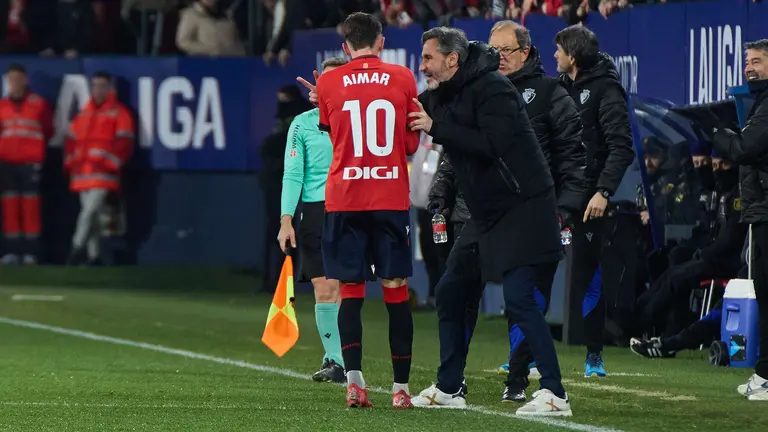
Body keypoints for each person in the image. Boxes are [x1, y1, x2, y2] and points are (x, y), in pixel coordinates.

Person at [409, 27, 571, 416]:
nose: (422, 66)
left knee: (519, 298)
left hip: (523, 206)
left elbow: (489, 145)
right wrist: (327, 107)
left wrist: (437, 128)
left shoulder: (494, 88)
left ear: (452, 59)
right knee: (449, 290)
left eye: (428, 58)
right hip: (487, 213)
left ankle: (555, 394)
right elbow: (405, 107)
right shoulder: (448, 91)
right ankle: (449, 386)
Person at [313, 12, 420, 409]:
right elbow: (409, 145)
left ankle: (355, 382)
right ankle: (401, 389)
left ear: (345, 47)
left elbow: (331, 130)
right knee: (395, 289)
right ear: (380, 42)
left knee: (350, 290)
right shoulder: (403, 78)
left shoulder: (328, 82)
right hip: (389, 197)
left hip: (345, 199)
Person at [485, 20, 586, 403]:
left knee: (527, 299)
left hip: (541, 214)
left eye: (505, 51)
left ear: (524, 52)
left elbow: (573, 157)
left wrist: (565, 209)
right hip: (495, 214)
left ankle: (530, 379)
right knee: (466, 291)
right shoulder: (485, 92)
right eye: (491, 52)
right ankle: (459, 382)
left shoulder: (548, 94)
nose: (498, 59)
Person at [554, 25, 635, 377]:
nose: (554, 55)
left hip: (588, 200)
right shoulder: (558, 88)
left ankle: (593, 355)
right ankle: (521, 355)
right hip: (554, 195)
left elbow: (622, 147)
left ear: (572, 55)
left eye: (559, 50)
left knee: (587, 276)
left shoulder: (606, 89)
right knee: (531, 273)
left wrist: (603, 191)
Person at [278, 57, 349, 384]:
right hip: (315, 212)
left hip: (350, 208)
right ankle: (334, 360)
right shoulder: (302, 124)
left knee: (346, 288)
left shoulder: (353, 120)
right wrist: (286, 219)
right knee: (324, 288)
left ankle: (350, 358)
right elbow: (293, 174)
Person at [711, 39, 768, 401]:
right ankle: (764, 373)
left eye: (758, 61)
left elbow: (746, 149)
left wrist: (719, 134)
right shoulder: (760, 104)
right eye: (747, 61)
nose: (749, 67)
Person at [65, 72, 135, 266]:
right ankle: (94, 256)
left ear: (110, 87)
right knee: (92, 216)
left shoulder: (119, 113)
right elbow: (71, 141)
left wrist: (111, 162)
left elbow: (124, 142)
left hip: (104, 173)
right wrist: (71, 163)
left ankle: (75, 248)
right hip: (82, 173)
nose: (98, 90)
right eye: (95, 85)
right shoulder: (84, 114)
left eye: (102, 85)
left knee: (88, 212)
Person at [0, 64, 53, 265]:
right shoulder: (2, 106)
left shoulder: (39, 104)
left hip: (30, 163)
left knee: (31, 208)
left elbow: (48, 129)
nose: (15, 83)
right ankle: (11, 252)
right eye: (11, 79)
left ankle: (31, 253)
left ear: (25, 80)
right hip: (6, 163)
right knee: (9, 207)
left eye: (18, 79)